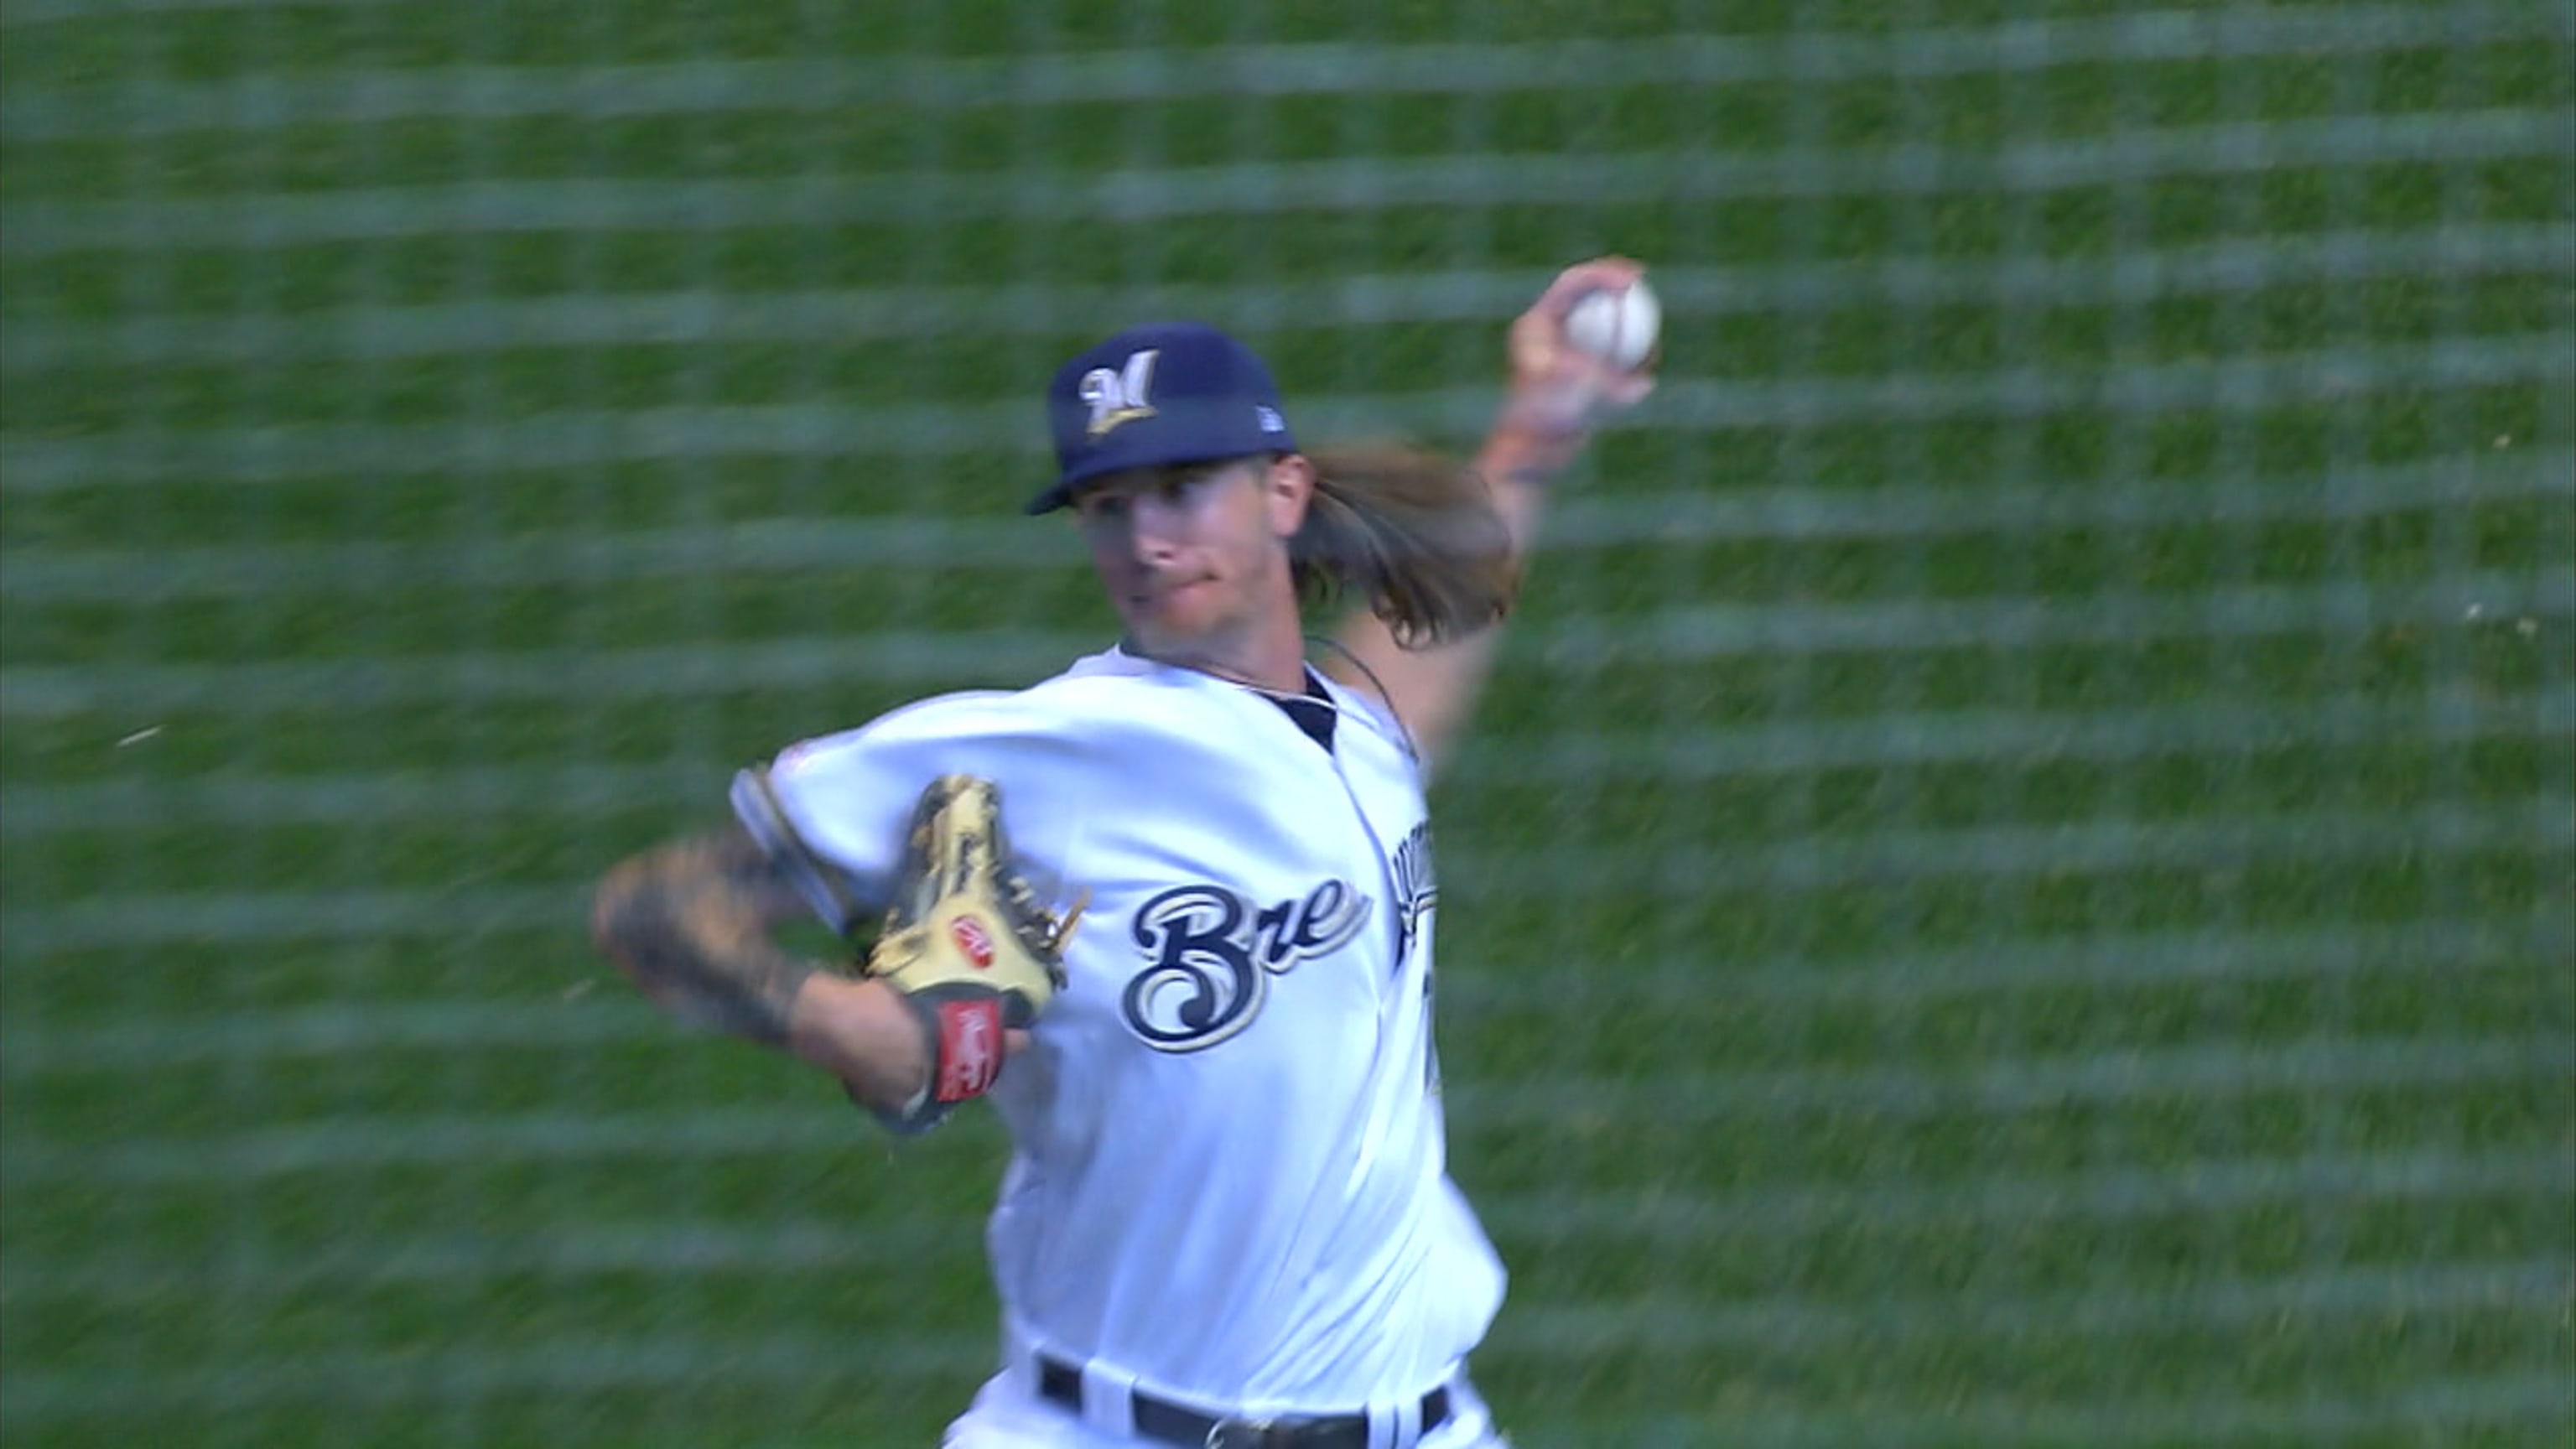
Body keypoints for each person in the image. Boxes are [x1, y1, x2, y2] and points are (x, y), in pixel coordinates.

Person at [591, 257, 1657, 1448]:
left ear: (1284, 491)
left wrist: (1540, 430)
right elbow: (655, 910)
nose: (1149, 537)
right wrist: (848, 1025)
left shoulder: (1360, 740)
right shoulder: (1040, 749)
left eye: (1185, 487)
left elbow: (1429, 661)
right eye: (1110, 507)